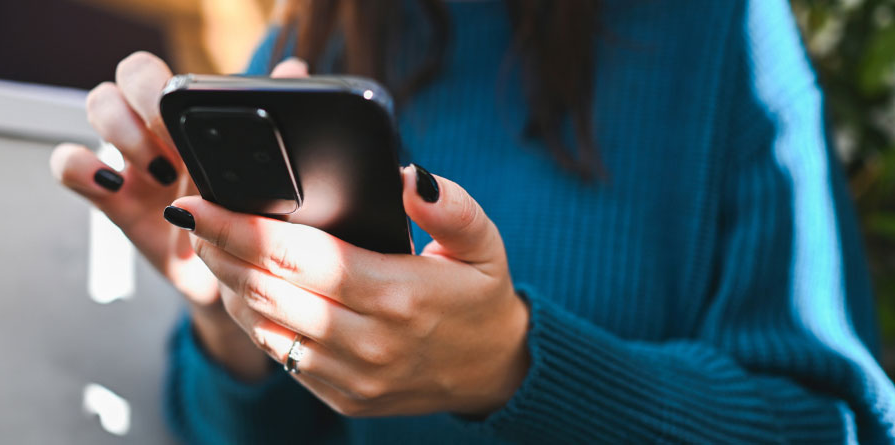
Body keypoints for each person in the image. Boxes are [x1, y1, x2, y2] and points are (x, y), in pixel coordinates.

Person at [50, 0, 895, 442]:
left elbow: (838, 424)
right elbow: (230, 431)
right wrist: (229, 317)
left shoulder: (723, 32)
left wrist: (512, 364)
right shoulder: (313, 38)